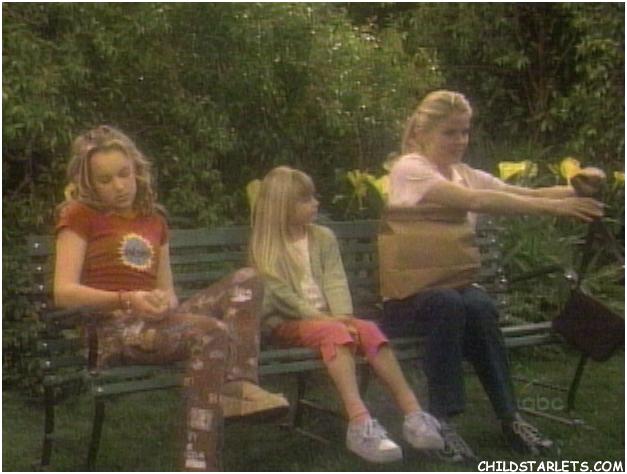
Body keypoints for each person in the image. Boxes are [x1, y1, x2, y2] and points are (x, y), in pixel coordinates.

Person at [377, 90, 605, 462]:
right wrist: (557, 209)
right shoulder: (410, 169)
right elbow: (476, 201)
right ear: (421, 133)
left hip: (450, 296)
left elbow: (521, 193)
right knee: (448, 302)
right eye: (450, 133)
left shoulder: (465, 174)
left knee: (479, 304)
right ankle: (441, 422)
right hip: (406, 302)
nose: (460, 141)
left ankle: (510, 417)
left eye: (464, 132)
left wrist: (576, 188)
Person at [53, 125, 288, 471]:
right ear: (89, 184)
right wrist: (128, 300)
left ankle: (238, 386)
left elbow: (168, 291)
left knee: (247, 279)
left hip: (153, 321)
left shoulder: (154, 220)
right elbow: (63, 292)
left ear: (136, 170)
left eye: (124, 174)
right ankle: (197, 463)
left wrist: (163, 302)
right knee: (212, 332)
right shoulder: (79, 216)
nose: (119, 186)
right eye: (105, 180)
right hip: (111, 331)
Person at [249, 166, 444, 464]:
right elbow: (280, 297)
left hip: (329, 321)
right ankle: (359, 423)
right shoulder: (265, 246)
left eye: (314, 197)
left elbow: (335, 281)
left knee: (368, 329)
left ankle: (414, 415)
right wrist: (327, 321)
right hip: (286, 323)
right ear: (282, 207)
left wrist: (342, 316)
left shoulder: (322, 237)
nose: (315, 203)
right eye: (305, 200)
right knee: (335, 332)